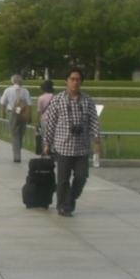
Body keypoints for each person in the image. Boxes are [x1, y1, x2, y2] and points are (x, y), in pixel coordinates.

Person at [39, 67, 99, 216]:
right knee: (63, 180)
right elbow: (51, 123)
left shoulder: (87, 101)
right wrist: (47, 143)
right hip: (63, 146)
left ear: (81, 82)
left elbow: (94, 122)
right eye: (72, 79)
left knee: (81, 177)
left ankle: (70, 199)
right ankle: (62, 206)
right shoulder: (58, 100)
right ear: (66, 81)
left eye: (78, 80)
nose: (75, 82)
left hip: (82, 147)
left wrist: (96, 140)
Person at [0, 74, 32, 163]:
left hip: (12, 113)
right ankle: (18, 151)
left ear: (12, 81)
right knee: (21, 133)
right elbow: (29, 104)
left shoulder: (8, 90)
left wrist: (3, 113)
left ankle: (17, 155)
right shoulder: (25, 91)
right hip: (23, 114)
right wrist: (29, 116)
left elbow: (3, 103)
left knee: (14, 134)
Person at [35, 79, 54, 155]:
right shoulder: (55, 97)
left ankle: (45, 151)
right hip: (53, 120)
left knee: (44, 137)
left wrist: (37, 122)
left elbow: (39, 111)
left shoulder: (41, 98)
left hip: (44, 120)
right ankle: (52, 151)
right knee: (53, 137)